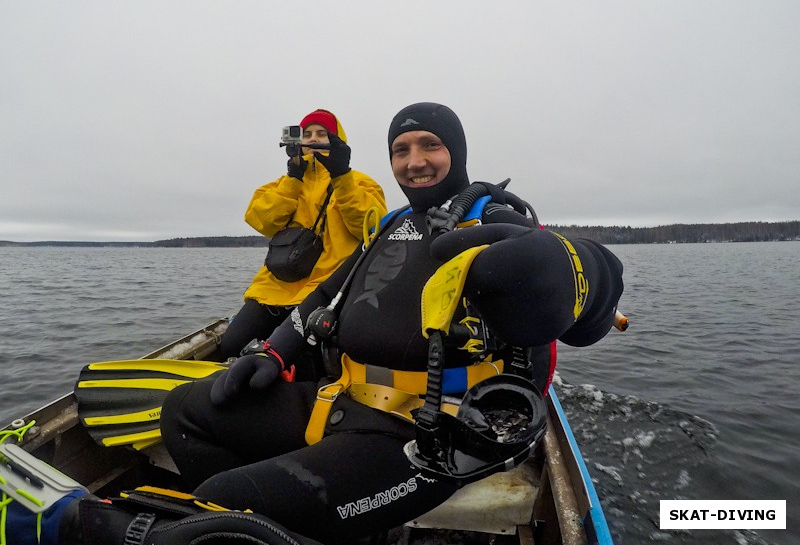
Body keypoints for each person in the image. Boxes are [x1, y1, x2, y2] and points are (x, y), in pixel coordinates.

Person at [14, 103, 624, 545]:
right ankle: (283, 527)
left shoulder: (498, 220)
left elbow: (575, 289)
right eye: (402, 150)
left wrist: (572, 269)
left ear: (456, 152)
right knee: (184, 410)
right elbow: (325, 298)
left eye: (429, 146)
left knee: (223, 507)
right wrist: (274, 354)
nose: (414, 162)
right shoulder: (391, 227)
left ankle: (242, 523)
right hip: (343, 401)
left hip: (430, 437)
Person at [218, 109, 387, 374]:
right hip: (275, 287)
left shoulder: (361, 183)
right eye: (307, 134)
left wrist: (342, 177)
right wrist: (293, 180)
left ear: (337, 140)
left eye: (322, 134)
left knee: (307, 362)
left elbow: (369, 228)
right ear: (296, 141)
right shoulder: (281, 183)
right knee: (230, 345)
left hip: (328, 288)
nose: (314, 139)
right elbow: (262, 221)